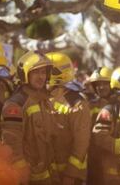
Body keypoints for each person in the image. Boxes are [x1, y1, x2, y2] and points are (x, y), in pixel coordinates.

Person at [1, 51, 55, 184]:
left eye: (43, 72)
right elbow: (11, 144)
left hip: (45, 174)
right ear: (24, 74)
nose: (41, 77)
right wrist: (21, 175)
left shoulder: (43, 100)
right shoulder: (15, 104)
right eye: (36, 72)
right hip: (28, 177)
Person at [46, 51, 91, 185]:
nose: (41, 76)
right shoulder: (44, 99)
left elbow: (81, 144)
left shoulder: (77, 104)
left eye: (45, 71)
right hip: (47, 173)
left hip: (68, 176)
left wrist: (70, 175)